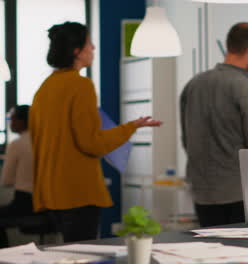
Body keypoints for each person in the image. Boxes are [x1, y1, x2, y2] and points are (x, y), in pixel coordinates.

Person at [29, 22, 161, 242]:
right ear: (76, 51)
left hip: (51, 192)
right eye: (89, 44)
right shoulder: (81, 86)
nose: (94, 48)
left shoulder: (44, 88)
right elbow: (92, 143)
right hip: (77, 192)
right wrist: (131, 127)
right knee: (84, 254)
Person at [180, 22, 248, 227]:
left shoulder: (193, 85)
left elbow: (187, 140)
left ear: (229, 46)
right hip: (239, 195)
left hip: (202, 194)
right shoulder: (247, 89)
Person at [0, 105, 34, 247]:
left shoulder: (17, 144)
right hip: (48, 204)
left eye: (12, 118)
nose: (10, 122)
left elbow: (6, 180)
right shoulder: (45, 142)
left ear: (22, 120)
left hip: (25, 202)